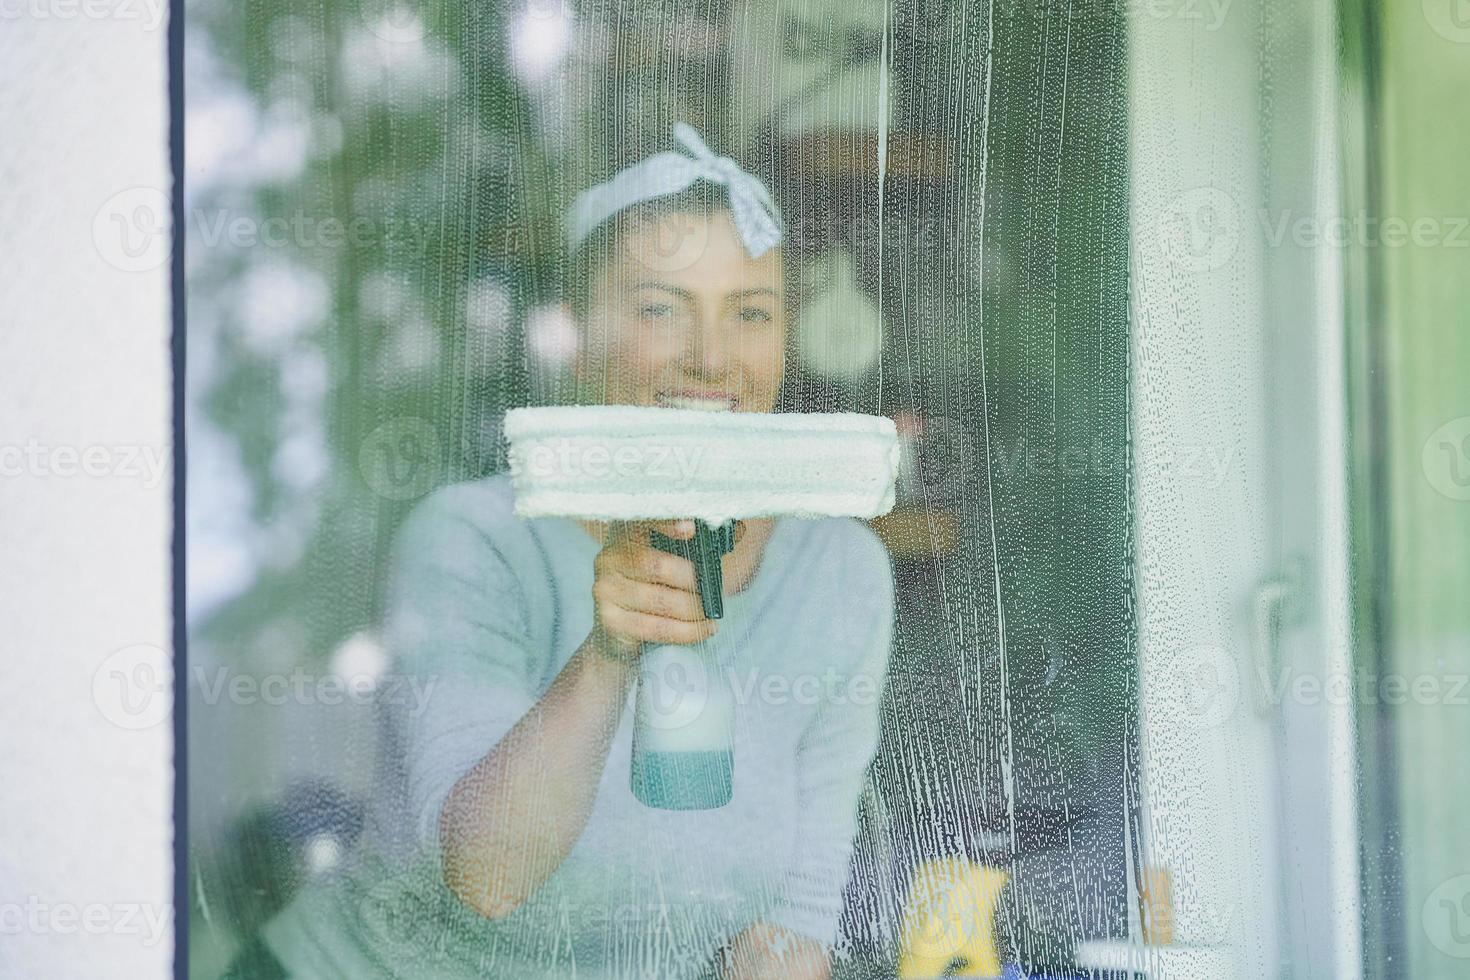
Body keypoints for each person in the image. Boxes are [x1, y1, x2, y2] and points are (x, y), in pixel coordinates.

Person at [246, 124, 895, 980]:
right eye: (661, 308)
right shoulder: (471, 540)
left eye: (751, 313)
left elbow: (793, 919)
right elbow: (486, 878)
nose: (711, 357)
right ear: (580, 341)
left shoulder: (840, 572)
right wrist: (609, 650)